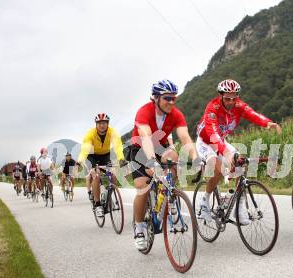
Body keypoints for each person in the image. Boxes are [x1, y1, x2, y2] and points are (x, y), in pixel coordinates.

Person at [196, 79, 281, 225]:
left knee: (240, 164)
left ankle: (239, 208)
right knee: (217, 170)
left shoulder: (239, 105)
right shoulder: (212, 107)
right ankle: (205, 202)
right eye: (227, 98)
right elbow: (213, 133)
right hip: (206, 141)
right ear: (221, 95)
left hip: (221, 140)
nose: (230, 101)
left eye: (234, 98)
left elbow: (253, 114)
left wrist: (267, 123)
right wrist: (225, 153)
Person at [130, 79, 198, 251]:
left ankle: (168, 195)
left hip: (161, 147)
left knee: (174, 158)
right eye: (167, 98)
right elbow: (145, 137)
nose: (171, 102)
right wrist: (152, 161)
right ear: (156, 98)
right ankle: (139, 228)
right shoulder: (144, 112)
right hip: (140, 148)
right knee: (142, 186)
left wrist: (196, 158)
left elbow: (184, 137)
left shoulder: (176, 114)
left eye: (174, 98)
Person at [77, 113, 127, 217]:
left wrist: (121, 159)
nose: (102, 125)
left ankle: (109, 195)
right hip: (92, 156)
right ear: (96, 124)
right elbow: (84, 150)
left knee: (113, 175)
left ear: (107, 124)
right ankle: (97, 204)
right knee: (96, 175)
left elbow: (118, 146)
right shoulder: (90, 134)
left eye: (104, 123)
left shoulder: (112, 132)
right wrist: (79, 162)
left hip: (105, 155)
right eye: (99, 123)